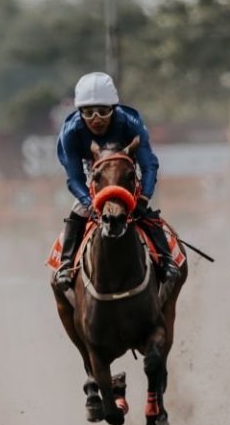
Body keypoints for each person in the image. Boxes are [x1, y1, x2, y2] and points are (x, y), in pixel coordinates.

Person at [53, 71, 179, 292]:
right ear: (79, 111)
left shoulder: (131, 122)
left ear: (114, 108)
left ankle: (166, 260)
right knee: (78, 211)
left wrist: (143, 197)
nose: (96, 120)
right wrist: (89, 202)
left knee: (145, 212)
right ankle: (66, 264)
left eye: (103, 111)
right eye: (88, 113)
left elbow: (149, 164)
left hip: (125, 176)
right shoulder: (71, 132)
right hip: (95, 178)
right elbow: (74, 178)